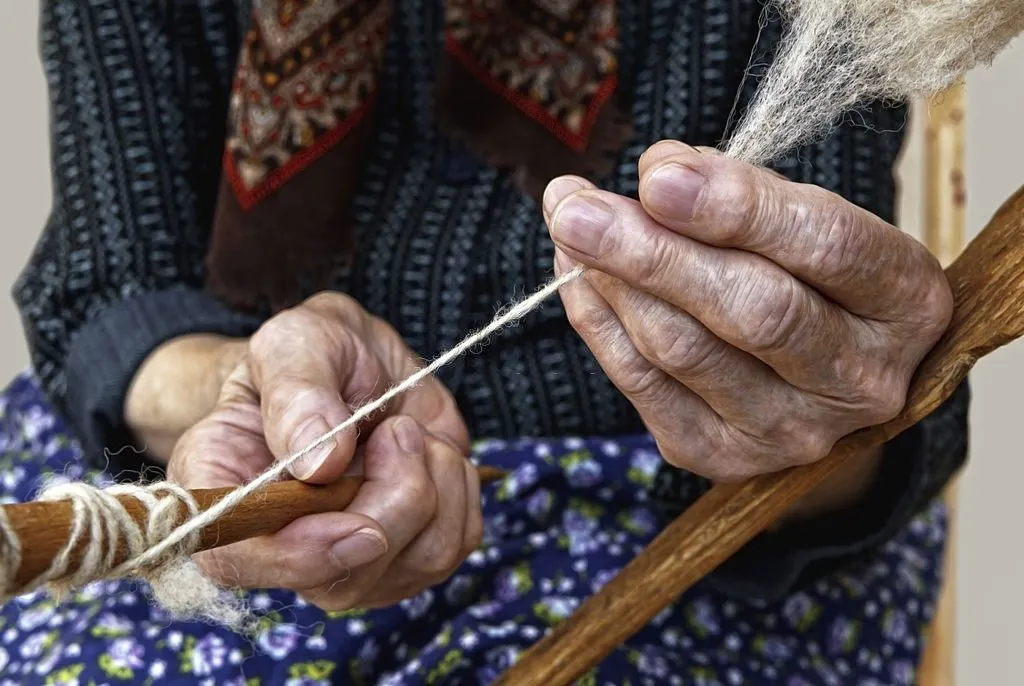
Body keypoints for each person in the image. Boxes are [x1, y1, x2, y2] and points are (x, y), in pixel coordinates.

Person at [0, 1, 966, 684]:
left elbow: (840, 385)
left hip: (694, 527)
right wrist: (242, 384)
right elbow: (108, 288)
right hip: (208, 467)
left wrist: (802, 409)